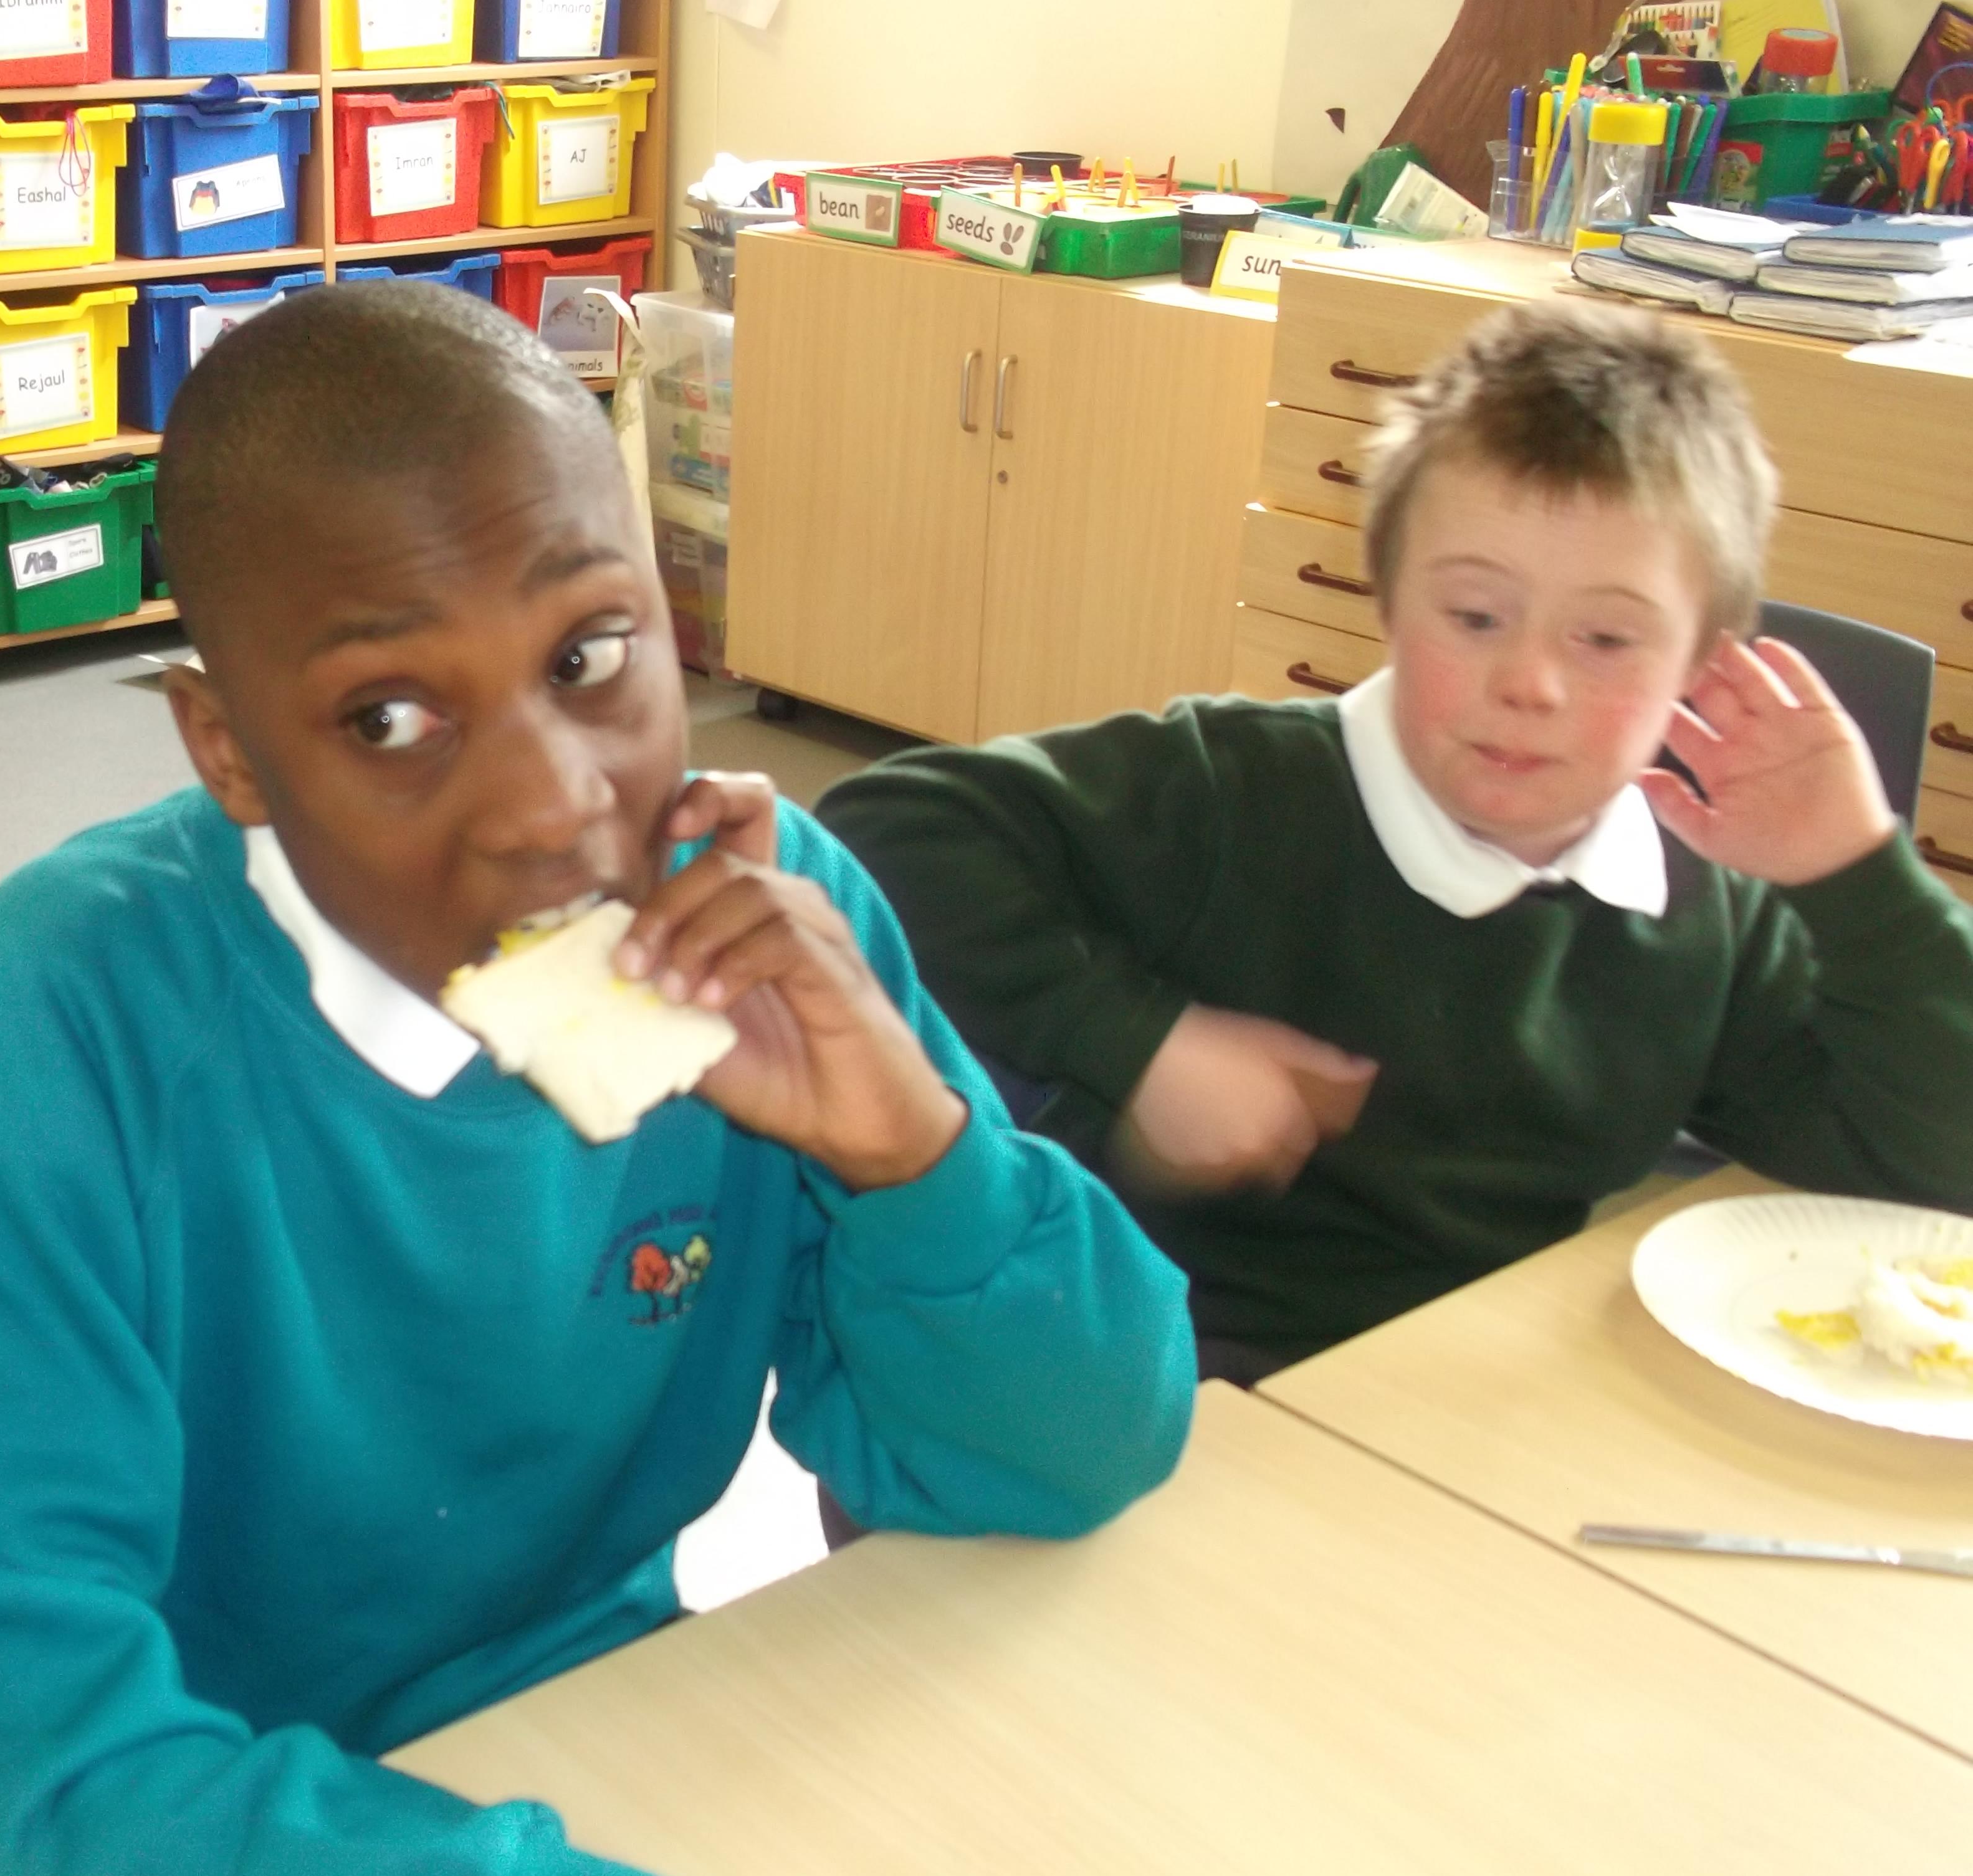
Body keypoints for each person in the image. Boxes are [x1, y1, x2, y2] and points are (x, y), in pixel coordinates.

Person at [0, 282, 1197, 1876]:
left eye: (589, 657)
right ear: (227, 752)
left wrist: (919, 1162)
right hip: (206, 1854)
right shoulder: (67, 1015)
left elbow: (1080, 1454)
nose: (553, 803)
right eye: (388, 720)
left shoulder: (760, 916)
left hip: (608, 1738)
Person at [818, 300, 1973, 1385]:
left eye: (1608, 640)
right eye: (1475, 617)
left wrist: (1860, 877)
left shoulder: (1700, 902)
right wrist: (1142, 1041)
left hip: (1471, 1395)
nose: (1529, 683)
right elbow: (878, 836)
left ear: (1703, 663)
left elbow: (1927, 1169)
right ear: (1386, 600)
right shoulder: (1236, 792)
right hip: (1144, 1376)